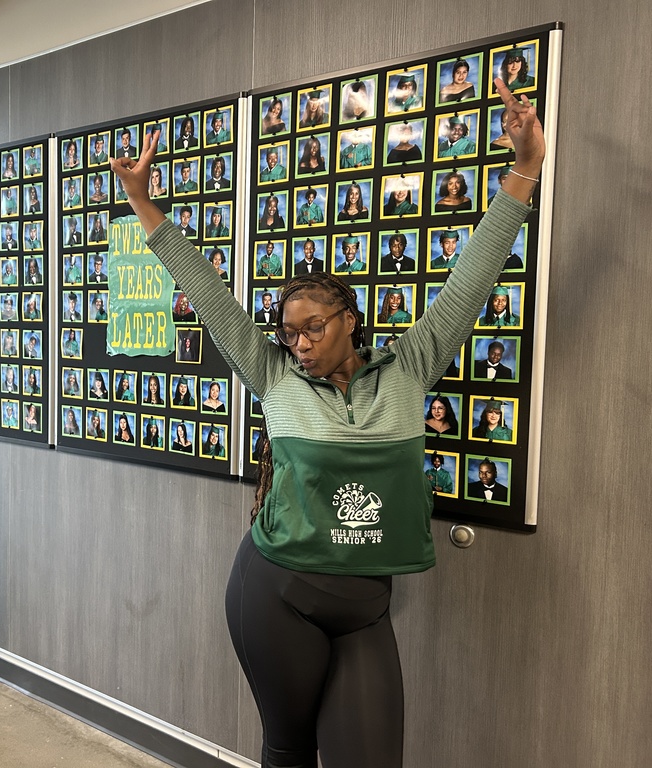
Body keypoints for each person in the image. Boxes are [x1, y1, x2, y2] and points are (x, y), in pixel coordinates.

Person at [108, 82, 541, 763]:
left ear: (350, 322)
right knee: (289, 751)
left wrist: (525, 166)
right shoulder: (273, 373)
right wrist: (141, 200)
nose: (301, 343)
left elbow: (471, 279)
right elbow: (208, 292)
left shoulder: (408, 369)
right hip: (274, 592)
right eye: (291, 333)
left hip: (366, 603)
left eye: (314, 328)